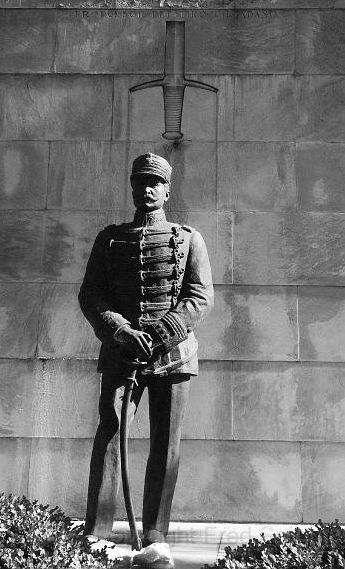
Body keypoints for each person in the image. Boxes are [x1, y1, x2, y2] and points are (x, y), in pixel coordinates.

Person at [79, 152, 214, 567]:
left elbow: (199, 297)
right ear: (133, 187)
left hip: (173, 358)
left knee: (165, 445)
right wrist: (120, 330)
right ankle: (97, 533)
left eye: (155, 182)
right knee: (111, 434)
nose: (147, 188)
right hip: (123, 354)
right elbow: (91, 294)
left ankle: (156, 537)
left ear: (168, 189)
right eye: (140, 182)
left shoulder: (189, 238)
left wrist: (157, 334)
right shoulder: (110, 239)